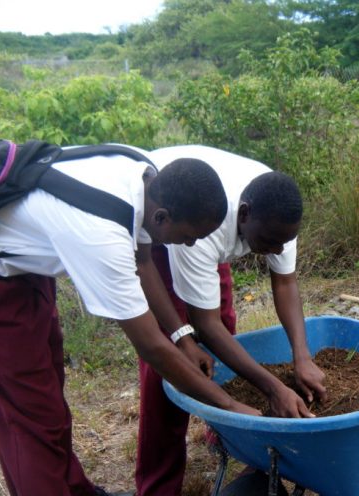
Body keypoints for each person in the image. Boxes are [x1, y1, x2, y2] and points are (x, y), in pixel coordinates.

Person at [0, 149, 240, 496]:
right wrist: (229, 405)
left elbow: (144, 262)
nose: (190, 244)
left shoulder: (144, 176)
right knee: (27, 418)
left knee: (48, 395)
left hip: (25, 267)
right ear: (162, 218)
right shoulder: (101, 232)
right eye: (188, 236)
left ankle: (75, 489)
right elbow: (151, 347)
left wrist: (185, 339)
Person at [135, 145, 328, 496]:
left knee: (225, 330)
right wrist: (273, 388)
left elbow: (285, 281)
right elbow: (202, 324)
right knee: (173, 359)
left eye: (284, 242)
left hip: (213, 233)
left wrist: (302, 356)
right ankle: (158, 483)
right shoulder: (201, 231)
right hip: (171, 228)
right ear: (245, 213)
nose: (278, 250)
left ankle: (225, 432)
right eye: (270, 242)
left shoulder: (277, 212)